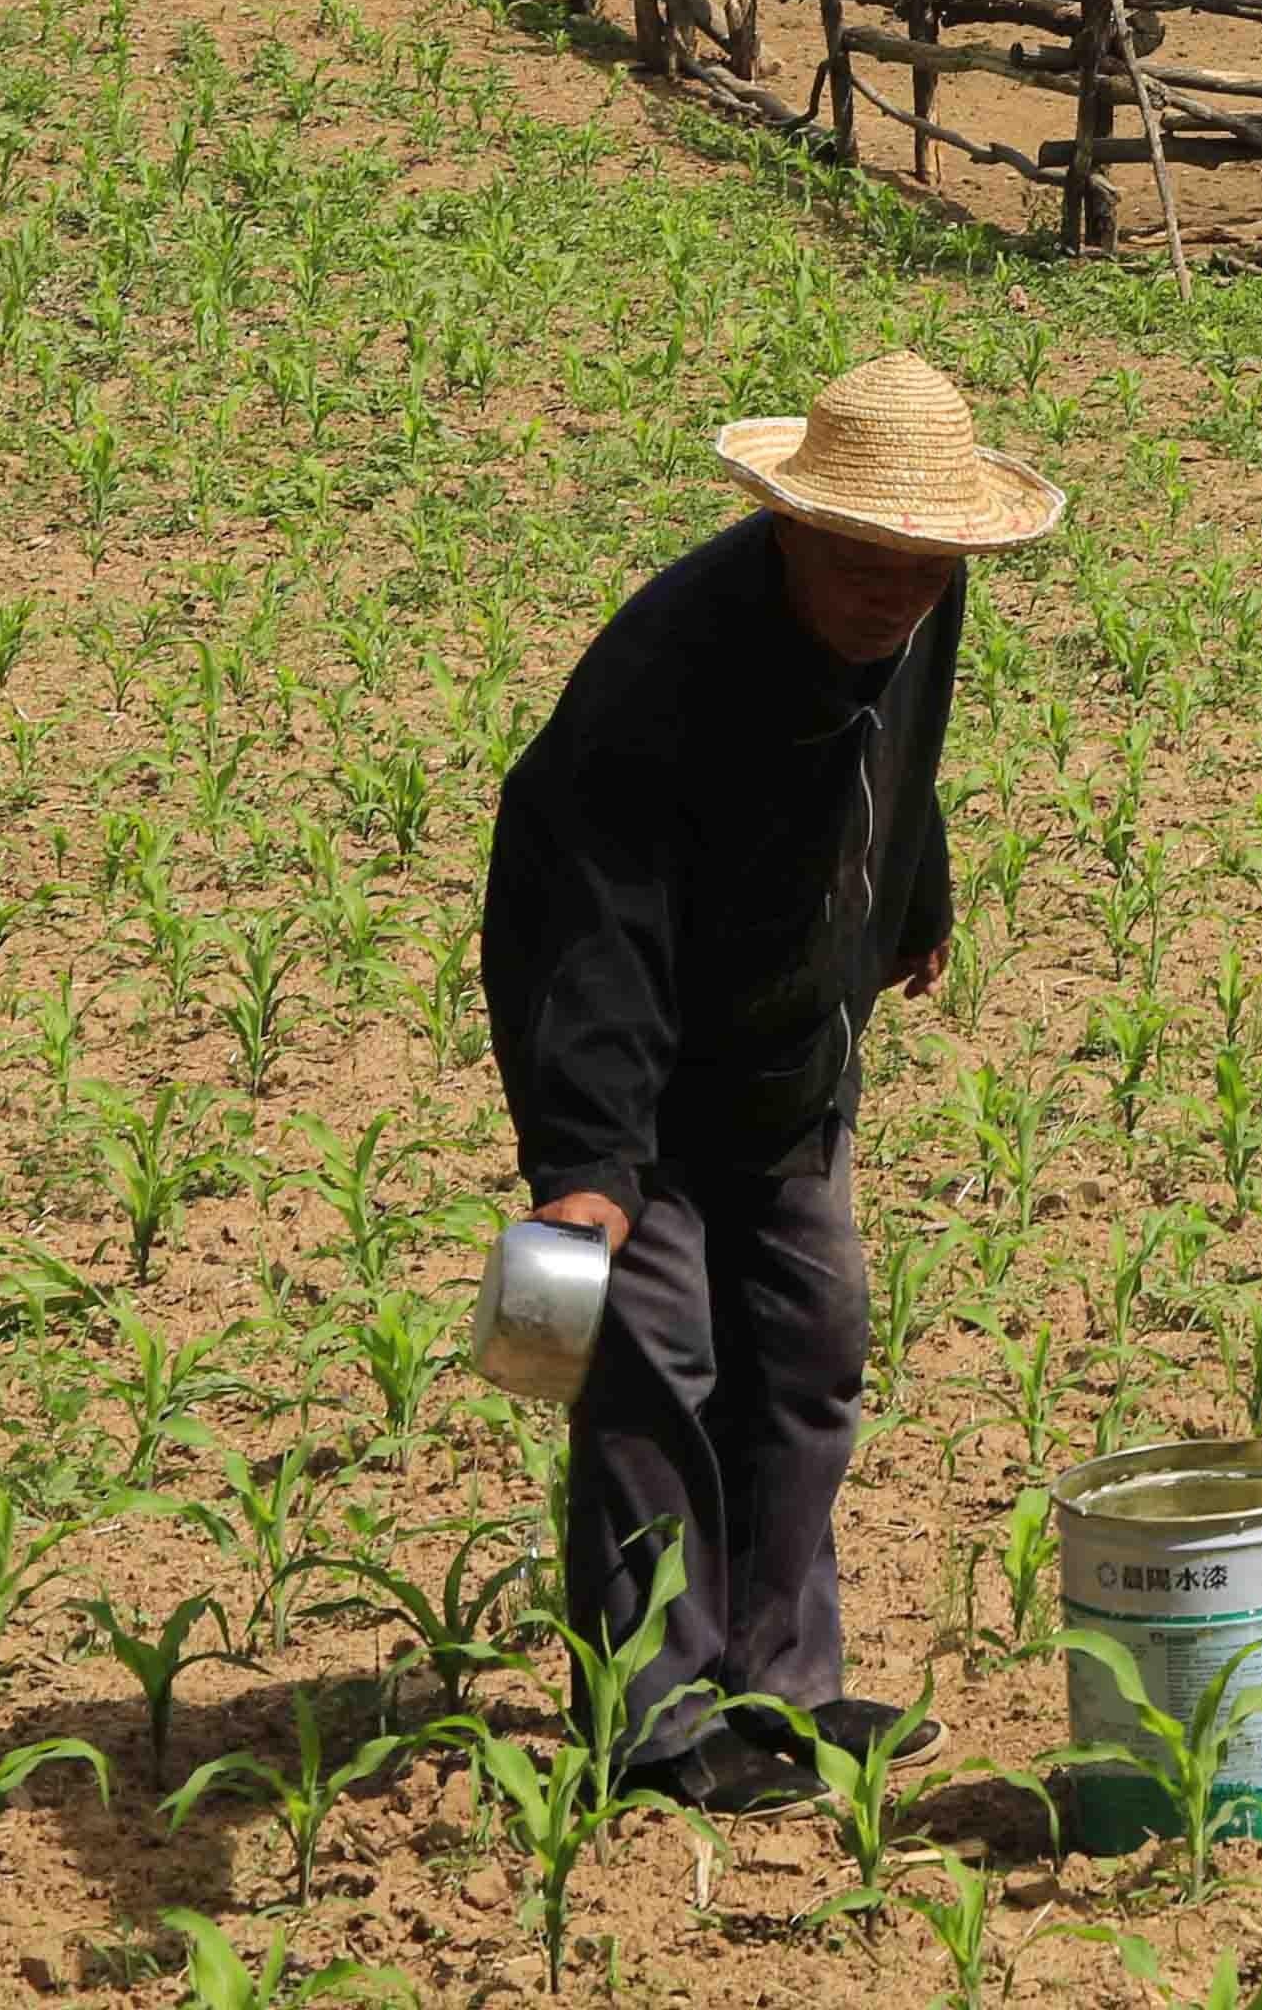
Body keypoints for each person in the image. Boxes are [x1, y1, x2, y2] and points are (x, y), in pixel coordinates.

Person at [481, 348, 1059, 1808]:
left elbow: (896, 763)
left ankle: (782, 1688)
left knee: (808, 1350)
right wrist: (589, 1167)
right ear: (791, 523)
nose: (902, 592)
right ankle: (655, 1727)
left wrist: (910, 902)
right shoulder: (658, 684)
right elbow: (584, 932)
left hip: (791, 1037)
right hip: (649, 1062)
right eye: (870, 560)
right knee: (653, 1368)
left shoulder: (915, 595)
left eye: (928, 562)